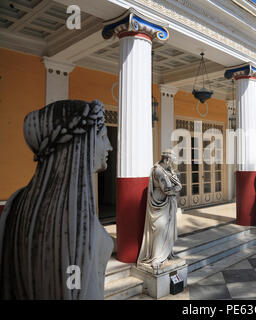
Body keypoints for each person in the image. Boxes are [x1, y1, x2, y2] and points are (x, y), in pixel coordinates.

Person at [0, 100, 114, 299]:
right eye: (103, 137)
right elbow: (74, 284)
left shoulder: (16, 201)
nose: (110, 146)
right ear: (81, 145)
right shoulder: (77, 220)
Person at [138, 149, 182, 270]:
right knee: (159, 229)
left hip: (167, 202)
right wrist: (177, 188)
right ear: (167, 159)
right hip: (160, 203)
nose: (173, 165)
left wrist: (175, 182)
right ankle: (156, 258)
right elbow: (168, 189)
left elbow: (174, 185)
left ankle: (166, 254)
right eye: (172, 161)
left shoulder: (166, 170)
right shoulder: (158, 171)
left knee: (167, 229)